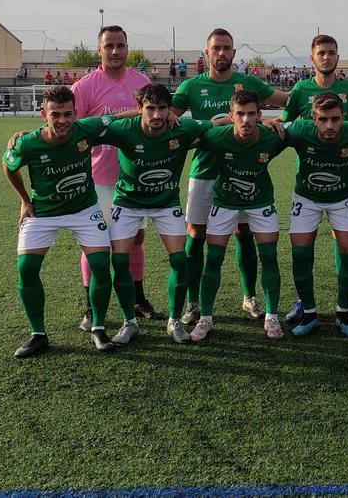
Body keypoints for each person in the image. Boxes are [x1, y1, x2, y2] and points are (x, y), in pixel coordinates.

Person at [172, 28, 290, 327]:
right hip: (204, 173)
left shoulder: (247, 83)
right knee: (195, 236)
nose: (222, 53)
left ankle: (249, 296)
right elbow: (168, 119)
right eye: (216, 48)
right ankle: (194, 301)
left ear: (234, 54)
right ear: (207, 53)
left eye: (227, 48)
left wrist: (271, 119)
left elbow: (288, 99)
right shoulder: (190, 87)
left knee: (245, 234)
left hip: (241, 172)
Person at [2, 86, 118, 358]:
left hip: (84, 208)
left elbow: (120, 117)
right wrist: (24, 200)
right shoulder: (28, 143)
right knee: (27, 269)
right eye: (56, 114)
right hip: (42, 211)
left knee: (101, 266)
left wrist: (153, 113)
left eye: (68, 114)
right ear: (44, 115)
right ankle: (38, 335)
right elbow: (8, 166)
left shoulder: (86, 129)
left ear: (76, 113)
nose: (63, 120)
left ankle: (98, 328)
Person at [93, 84, 212, 344]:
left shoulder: (183, 128)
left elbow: (221, 122)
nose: (157, 115)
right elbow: (86, 127)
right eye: (150, 109)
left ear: (170, 109)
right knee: (119, 263)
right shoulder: (124, 129)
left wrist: (265, 122)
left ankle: (174, 321)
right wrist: (29, 134)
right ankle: (129, 321)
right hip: (127, 202)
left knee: (180, 261)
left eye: (162, 108)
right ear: (139, 110)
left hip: (166, 202)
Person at [70, 25, 159, 332]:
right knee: (95, 244)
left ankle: (138, 298)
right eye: (109, 46)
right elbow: (72, 130)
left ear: (127, 47)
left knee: (135, 238)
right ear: (100, 50)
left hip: (135, 178)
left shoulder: (141, 82)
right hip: (99, 179)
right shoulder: (83, 87)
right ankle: (91, 306)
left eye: (120, 45)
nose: (115, 51)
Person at [190, 90, 289, 341]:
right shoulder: (215, 137)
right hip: (224, 202)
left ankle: (272, 317)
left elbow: (305, 131)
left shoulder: (272, 138)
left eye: (251, 114)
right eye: (240, 114)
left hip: (261, 201)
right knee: (213, 258)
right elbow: (183, 136)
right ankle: (206, 318)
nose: (246, 120)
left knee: (269, 256)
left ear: (260, 115)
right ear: (231, 116)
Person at [282, 93, 348, 338]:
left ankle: (343, 312)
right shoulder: (299, 129)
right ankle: (309, 313)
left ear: (343, 117)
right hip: (306, 197)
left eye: (335, 119)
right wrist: (272, 124)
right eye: (323, 119)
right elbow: (274, 130)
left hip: (343, 198)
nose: (330, 126)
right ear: (313, 118)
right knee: (300, 251)